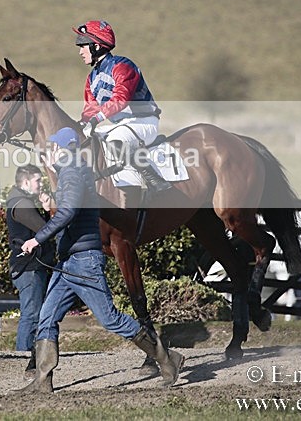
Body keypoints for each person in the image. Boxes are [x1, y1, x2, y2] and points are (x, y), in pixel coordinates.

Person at [19, 127, 183, 393]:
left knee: (111, 320)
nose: (49, 152)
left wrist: (37, 239)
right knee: (46, 317)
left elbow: (69, 212)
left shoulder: (72, 171)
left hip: (84, 261)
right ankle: (42, 380)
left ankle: (168, 358)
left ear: (63, 148)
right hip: (68, 262)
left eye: (53, 147)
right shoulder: (70, 172)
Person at [73, 19, 171, 194]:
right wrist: (81, 125)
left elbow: (121, 98)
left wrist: (97, 119)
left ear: (96, 46)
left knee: (115, 139)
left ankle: (155, 180)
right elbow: (90, 108)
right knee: (89, 139)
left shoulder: (123, 66)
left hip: (143, 122)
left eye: (83, 46)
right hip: (120, 125)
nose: (80, 51)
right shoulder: (92, 77)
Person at [6, 164, 55, 376]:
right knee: (32, 314)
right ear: (25, 182)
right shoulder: (22, 204)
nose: (40, 184)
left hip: (29, 266)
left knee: (32, 313)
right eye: (37, 180)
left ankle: (27, 356)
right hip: (29, 267)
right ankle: (24, 357)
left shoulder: (20, 201)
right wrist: (49, 213)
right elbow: (45, 231)